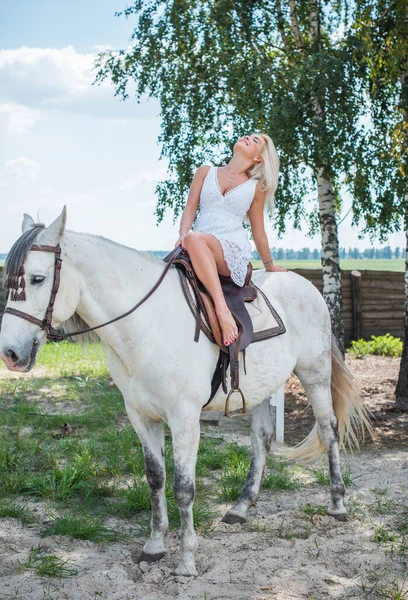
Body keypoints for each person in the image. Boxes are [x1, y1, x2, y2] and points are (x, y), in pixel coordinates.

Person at [175, 133, 288, 347]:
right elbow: (190, 207)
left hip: (230, 250)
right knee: (190, 242)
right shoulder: (205, 172)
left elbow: (259, 232)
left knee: (195, 239)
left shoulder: (256, 187)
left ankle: (222, 309)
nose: (248, 138)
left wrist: (269, 265)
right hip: (198, 244)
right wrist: (182, 233)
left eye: (256, 141)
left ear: (258, 158)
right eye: (249, 136)